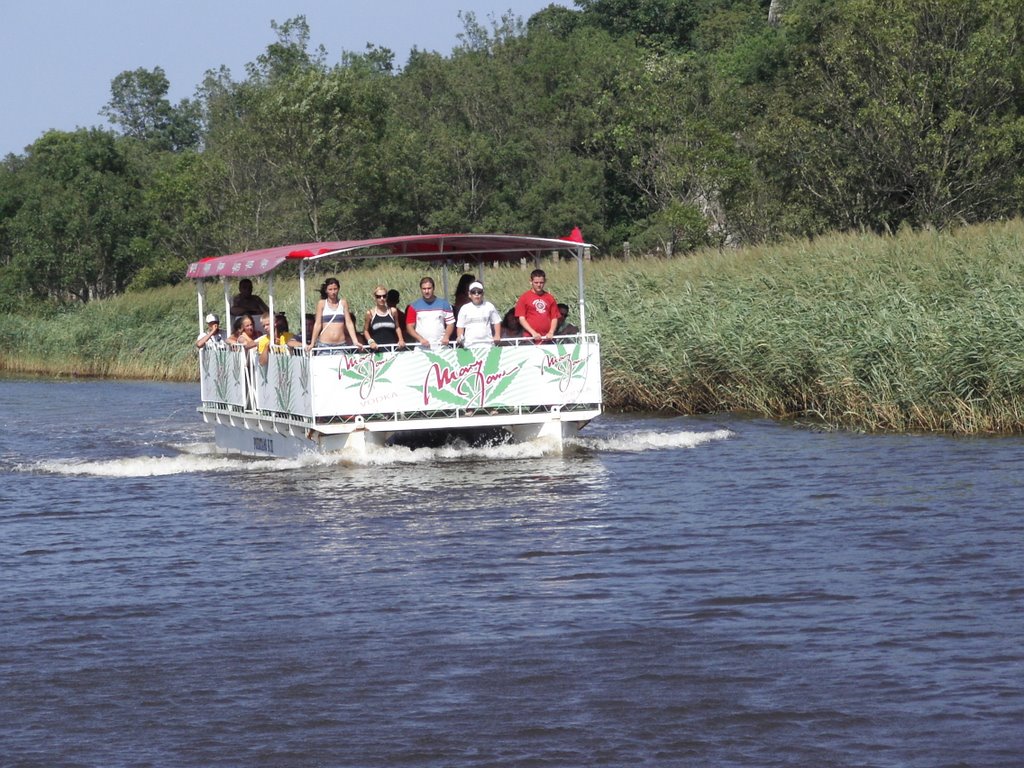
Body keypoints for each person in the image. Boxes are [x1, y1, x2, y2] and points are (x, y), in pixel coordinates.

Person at [307, 277, 363, 351]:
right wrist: (312, 343)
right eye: (330, 289)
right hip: (324, 345)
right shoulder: (321, 304)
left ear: (338, 289)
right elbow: (318, 324)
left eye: (335, 289)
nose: (333, 292)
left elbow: (349, 323)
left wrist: (355, 341)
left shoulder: (343, 303)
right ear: (326, 290)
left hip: (340, 344)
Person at [405, 276, 454, 349]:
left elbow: (450, 323)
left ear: (433, 288)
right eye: (424, 289)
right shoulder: (413, 306)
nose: (426, 291)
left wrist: (446, 336)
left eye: (429, 288)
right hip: (421, 347)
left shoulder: (444, 304)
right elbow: (409, 327)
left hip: (440, 346)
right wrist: (420, 339)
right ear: (421, 289)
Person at [515, 268, 560, 342]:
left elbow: (554, 317)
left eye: (541, 282)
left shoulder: (550, 298)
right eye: (536, 282)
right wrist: (533, 332)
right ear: (531, 282)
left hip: (547, 337)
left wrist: (551, 332)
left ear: (545, 281)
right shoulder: (524, 297)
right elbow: (522, 318)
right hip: (530, 337)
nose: (539, 285)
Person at [456, 281, 501, 347]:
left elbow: (497, 321)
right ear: (469, 294)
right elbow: (460, 326)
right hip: (469, 345)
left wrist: (497, 335)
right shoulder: (464, 308)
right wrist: (460, 336)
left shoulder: (489, 306)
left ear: (483, 294)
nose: (476, 294)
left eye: (479, 292)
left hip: (487, 344)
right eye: (473, 292)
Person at [364, 286, 406, 351]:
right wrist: (371, 342)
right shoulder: (370, 313)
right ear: (374, 297)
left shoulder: (393, 311)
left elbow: (397, 327)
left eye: (384, 296)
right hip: (377, 350)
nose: (382, 298)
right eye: (378, 296)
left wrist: (401, 339)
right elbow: (365, 331)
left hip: (392, 349)